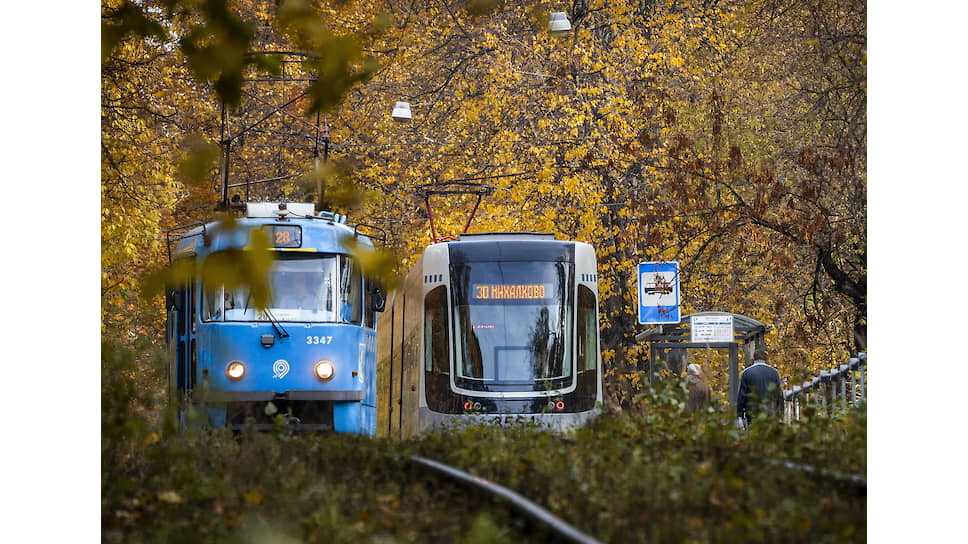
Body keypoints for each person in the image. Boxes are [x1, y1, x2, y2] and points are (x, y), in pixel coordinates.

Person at [736, 349, 783, 426]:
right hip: (770, 413)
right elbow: (779, 395)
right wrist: (780, 413)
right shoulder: (774, 373)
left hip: (752, 413)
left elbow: (741, 396)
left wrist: (740, 415)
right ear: (766, 359)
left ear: (754, 359)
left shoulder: (746, 373)